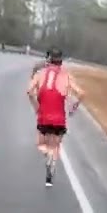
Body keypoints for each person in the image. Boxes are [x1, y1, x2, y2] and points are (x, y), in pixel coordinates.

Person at [26, 47, 84, 187]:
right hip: (59, 119)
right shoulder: (66, 76)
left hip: (43, 117)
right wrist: (73, 108)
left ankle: (47, 155)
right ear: (61, 61)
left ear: (49, 59)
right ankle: (51, 166)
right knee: (55, 145)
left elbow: (29, 91)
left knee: (41, 144)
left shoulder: (40, 73)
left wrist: (36, 107)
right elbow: (81, 93)